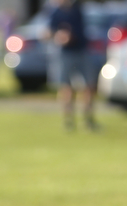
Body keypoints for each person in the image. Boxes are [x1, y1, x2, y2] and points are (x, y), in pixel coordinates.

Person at [47, 0, 99, 130]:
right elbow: (49, 32)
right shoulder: (56, 12)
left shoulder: (77, 8)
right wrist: (59, 36)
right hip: (66, 53)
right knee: (66, 87)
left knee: (89, 86)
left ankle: (88, 120)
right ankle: (68, 121)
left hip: (81, 51)